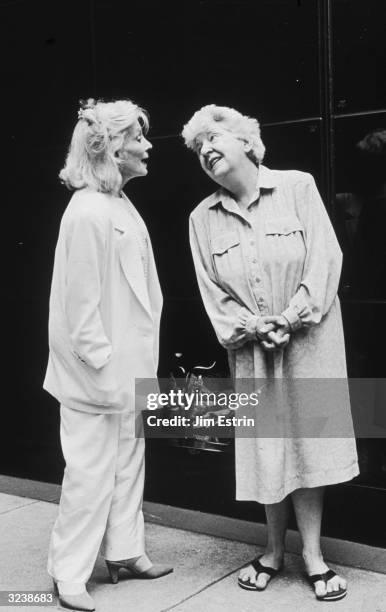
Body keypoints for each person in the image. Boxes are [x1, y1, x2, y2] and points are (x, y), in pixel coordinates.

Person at [182, 104, 359, 602]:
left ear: (247, 142)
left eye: (213, 138)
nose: (206, 151)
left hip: (309, 340)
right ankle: (272, 551)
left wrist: (290, 316)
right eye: (198, 148)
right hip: (254, 348)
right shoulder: (202, 219)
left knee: (309, 445)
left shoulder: (298, 187)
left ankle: (314, 557)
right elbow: (211, 291)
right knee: (267, 447)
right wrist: (253, 326)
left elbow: (326, 258)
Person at [44, 99, 172, 612]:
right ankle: (67, 574)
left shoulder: (117, 202)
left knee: (127, 463)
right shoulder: (88, 210)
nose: (147, 146)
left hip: (130, 367)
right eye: (138, 138)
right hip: (98, 373)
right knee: (90, 472)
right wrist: (103, 369)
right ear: (111, 146)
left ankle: (125, 553)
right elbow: (81, 307)